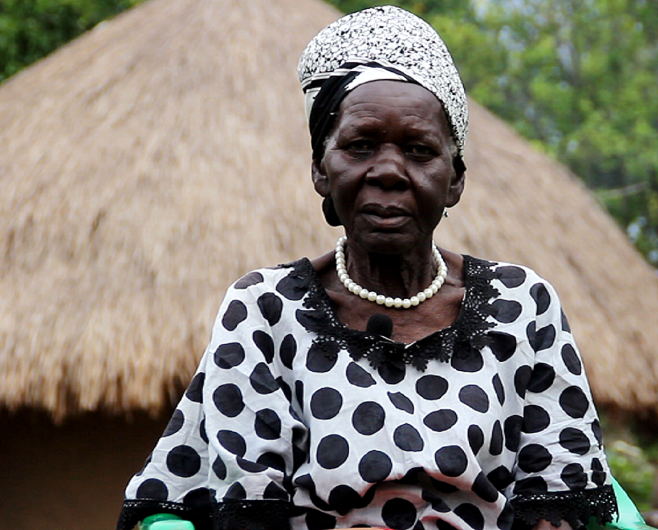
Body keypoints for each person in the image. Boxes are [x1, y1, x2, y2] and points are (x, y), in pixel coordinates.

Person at [117, 6, 618, 530]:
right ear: (320, 170)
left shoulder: (521, 307)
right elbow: (250, 507)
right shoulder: (266, 311)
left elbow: (558, 503)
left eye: (420, 151)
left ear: (454, 180)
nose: (387, 172)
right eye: (360, 146)